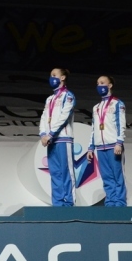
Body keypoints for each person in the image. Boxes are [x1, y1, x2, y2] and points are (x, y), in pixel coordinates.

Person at [86, 75, 127, 206]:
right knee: (106, 177)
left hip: (113, 145)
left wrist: (119, 142)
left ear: (109, 85)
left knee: (117, 175)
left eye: (102, 83)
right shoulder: (96, 107)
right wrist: (91, 147)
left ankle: (120, 203)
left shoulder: (117, 104)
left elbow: (121, 124)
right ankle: (110, 202)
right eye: (98, 83)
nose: (99, 86)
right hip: (100, 146)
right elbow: (94, 128)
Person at [39, 68, 76, 206]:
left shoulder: (68, 96)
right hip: (50, 140)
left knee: (67, 173)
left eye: (54, 75)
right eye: (50, 75)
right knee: (55, 173)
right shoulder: (50, 99)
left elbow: (63, 117)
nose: (51, 78)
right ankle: (57, 204)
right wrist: (43, 134)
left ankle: (69, 204)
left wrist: (50, 134)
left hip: (63, 139)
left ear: (62, 78)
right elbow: (44, 117)